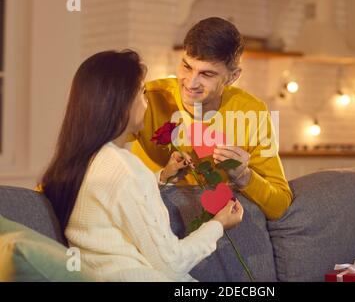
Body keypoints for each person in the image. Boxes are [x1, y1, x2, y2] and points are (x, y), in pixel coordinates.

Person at [39, 50, 243, 282]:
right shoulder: (123, 167)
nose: (147, 105)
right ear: (123, 103)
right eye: (142, 94)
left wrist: (162, 177)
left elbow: (110, 204)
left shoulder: (83, 162)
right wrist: (219, 224)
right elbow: (172, 264)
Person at [132, 17, 293, 220]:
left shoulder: (252, 112)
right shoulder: (150, 98)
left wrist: (244, 176)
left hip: (217, 226)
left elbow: (280, 205)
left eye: (207, 74)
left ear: (233, 77)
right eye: (187, 67)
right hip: (150, 214)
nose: (191, 83)